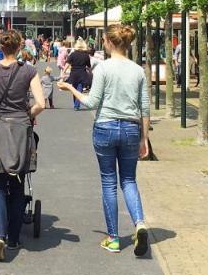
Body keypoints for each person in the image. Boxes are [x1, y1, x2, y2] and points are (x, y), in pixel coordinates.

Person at [59, 23, 151, 256]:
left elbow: (91, 103)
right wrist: (144, 139)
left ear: (108, 43)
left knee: (109, 182)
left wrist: (70, 87)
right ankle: (139, 223)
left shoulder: (103, 69)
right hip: (131, 128)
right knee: (129, 180)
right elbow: (145, 109)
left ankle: (113, 238)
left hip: (106, 127)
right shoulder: (138, 70)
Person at [0, 28, 45, 262]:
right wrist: (28, 114)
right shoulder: (30, 70)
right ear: (20, 47)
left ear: (0, 47)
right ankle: (13, 237)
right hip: (21, 129)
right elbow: (41, 103)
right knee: (18, 183)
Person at [66, 39, 93, 111]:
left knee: (74, 90)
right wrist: (91, 73)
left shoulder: (73, 54)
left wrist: (64, 72)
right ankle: (76, 105)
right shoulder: (86, 56)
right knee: (79, 90)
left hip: (74, 74)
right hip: (82, 74)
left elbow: (67, 64)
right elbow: (89, 66)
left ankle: (76, 104)